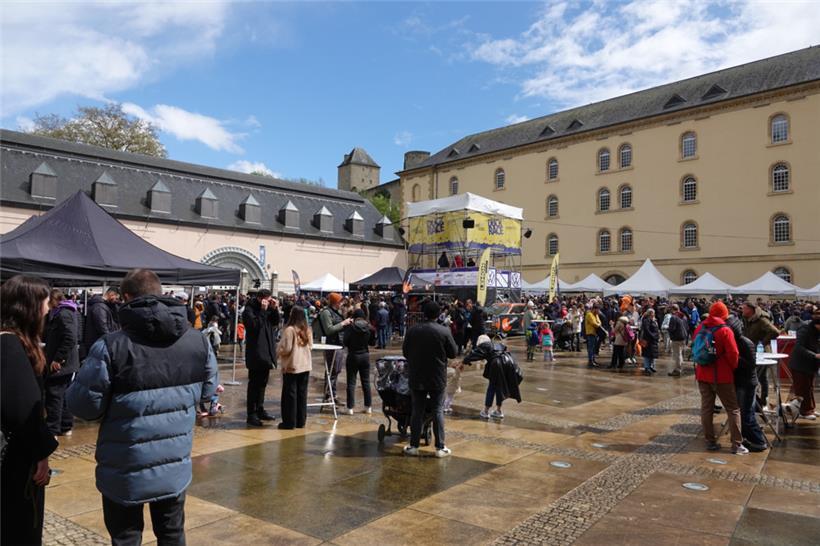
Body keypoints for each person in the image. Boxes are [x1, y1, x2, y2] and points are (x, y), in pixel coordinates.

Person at [67, 269, 218, 545]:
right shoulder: (198, 341)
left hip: (125, 465)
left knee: (126, 538)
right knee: (172, 534)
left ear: (126, 298)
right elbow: (207, 392)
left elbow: (84, 406)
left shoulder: (111, 346)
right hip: (173, 463)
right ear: (160, 293)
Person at [1, 276, 59, 546]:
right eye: (46, 303)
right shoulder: (10, 345)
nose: (48, 309)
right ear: (29, 306)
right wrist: (42, 453)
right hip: (14, 463)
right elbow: (23, 412)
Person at [402, 299, 458, 457]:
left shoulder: (412, 330)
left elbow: (405, 352)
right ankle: (440, 447)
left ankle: (413, 446)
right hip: (437, 376)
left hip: (417, 375)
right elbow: (453, 353)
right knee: (437, 410)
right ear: (438, 314)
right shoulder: (444, 331)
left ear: (423, 313)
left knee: (417, 411)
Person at [693, 301, 746, 454]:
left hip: (702, 373)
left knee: (706, 408)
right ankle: (736, 444)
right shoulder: (725, 330)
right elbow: (733, 354)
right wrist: (732, 368)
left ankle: (710, 441)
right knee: (733, 409)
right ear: (724, 314)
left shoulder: (700, 327)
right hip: (721, 375)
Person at [726, 313, 767, 451]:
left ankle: (759, 441)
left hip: (747, 383)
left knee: (747, 415)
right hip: (740, 382)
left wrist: (734, 357)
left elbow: (751, 365)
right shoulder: (736, 342)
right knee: (743, 413)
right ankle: (747, 439)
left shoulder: (745, 342)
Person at [43, 288, 81, 437]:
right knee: (63, 396)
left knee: (55, 395)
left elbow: (70, 337)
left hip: (62, 364)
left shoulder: (63, 314)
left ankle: (53, 428)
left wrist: (59, 358)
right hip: (67, 363)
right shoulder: (68, 312)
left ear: (54, 300)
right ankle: (65, 425)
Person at [242, 289, 280, 426]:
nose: (268, 302)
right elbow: (254, 326)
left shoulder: (268, 308)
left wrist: (274, 309)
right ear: (260, 298)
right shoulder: (249, 310)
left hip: (267, 351)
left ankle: (260, 409)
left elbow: (276, 322)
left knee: (263, 383)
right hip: (256, 352)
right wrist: (263, 311)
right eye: (267, 300)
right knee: (254, 385)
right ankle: (251, 414)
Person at [463, 334, 523, 420]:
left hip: (497, 366)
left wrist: (464, 361)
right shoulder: (497, 344)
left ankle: (486, 411)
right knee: (499, 388)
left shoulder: (485, 345)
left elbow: (474, 355)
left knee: (491, 387)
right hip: (507, 364)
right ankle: (498, 410)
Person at [277, 305, 313, 429]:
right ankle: (300, 421)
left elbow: (286, 349)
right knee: (302, 394)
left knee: (289, 395)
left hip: (292, 366)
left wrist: (278, 351)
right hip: (305, 366)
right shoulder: (307, 329)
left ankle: (289, 422)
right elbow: (311, 346)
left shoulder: (290, 330)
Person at [741, 302, 780, 408]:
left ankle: (757, 401)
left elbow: (775, 332)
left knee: (757, 378)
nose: (742, 310)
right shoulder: (747, 319)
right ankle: (761, 401)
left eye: (744, 308)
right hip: (752, 351)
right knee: (762, 377)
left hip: (762, 352)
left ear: (751, 309)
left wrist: (762, 342)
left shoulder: (761, 320)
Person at [317, 293, 353, 403]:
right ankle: (328, 396)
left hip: (339, 345)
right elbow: (329, 330)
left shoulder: (337, 312)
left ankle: (333, 394)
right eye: (340, 301)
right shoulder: (326, 312)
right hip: (331, 345)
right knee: (331, 371)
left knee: (336, 371)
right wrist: (343, 323)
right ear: (335, 302)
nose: (342, 303)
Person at [788, 306, 819, 420]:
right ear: (817, 325)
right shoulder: (805, 330)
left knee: (809, 387)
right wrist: (814, 355)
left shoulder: (816, 332)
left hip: (810, 365)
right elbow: (799, 347)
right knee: (802, 388)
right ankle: (803, 411)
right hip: (799, 364)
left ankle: (810, 408)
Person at [343, 309, 373, 415]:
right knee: (366, 382)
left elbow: (345, 341)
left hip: (353, 355)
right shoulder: (368, 327)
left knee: (351, 383)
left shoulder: (351, 327)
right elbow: (373, 341)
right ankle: (368, 407)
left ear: (354, 317)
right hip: (365, 355)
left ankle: (350, 408)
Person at [81, 287, 119, 358]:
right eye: (116, 298)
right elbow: (103, 328)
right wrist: (111, 343)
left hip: (98, 343)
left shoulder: (103, 306)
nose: (116, 301)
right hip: (98, 344)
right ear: (111, 294)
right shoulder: (100, 307)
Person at [667, 304, 688, 377]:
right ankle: (679, 368)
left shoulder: (673, 317)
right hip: (683, 337)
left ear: (672, 309)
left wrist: (668, 329)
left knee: (677, 354)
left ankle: (677, 369)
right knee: (680, 354)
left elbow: (672, 328)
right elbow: (686, 327)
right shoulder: (683, 316)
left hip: (677, 338)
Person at [639, 308, 660, 376]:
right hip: (648, 340)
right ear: (650, 313)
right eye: (653, 313)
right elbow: (647, 330)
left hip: (653, 340)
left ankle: (651, 366)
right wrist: (653, 335)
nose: (654, 314)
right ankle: (647, 367)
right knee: (647, 355)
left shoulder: (653, 320)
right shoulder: (646, 320)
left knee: (652, 355)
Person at [584, 302, 602, 368]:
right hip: (590, 333)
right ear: (594, 309)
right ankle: (590, 361)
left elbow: (599, 322)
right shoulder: (589, 314)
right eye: (598, 310)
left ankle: (593, 360)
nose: (599, 311)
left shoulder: (595, 315)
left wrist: (598, 324)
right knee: (591, 348)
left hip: (595, 333)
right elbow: (594, 323)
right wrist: (598, 324)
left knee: (594, 348)